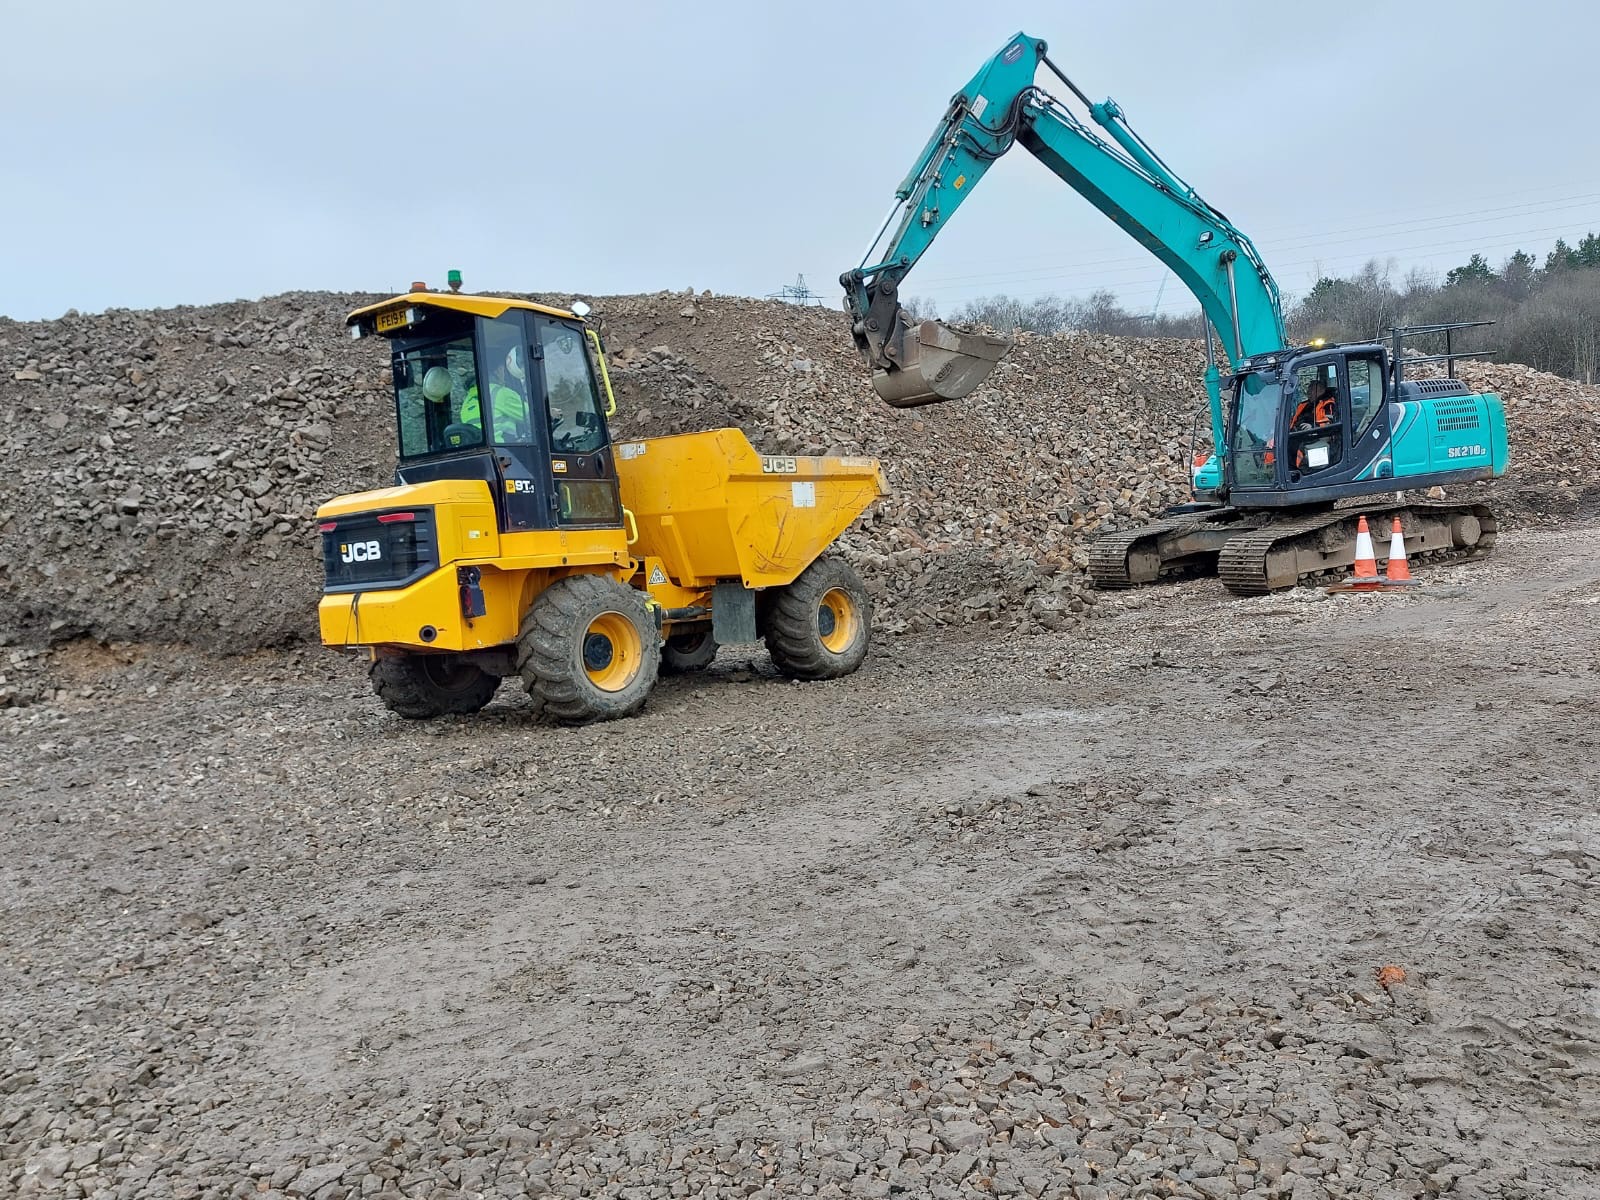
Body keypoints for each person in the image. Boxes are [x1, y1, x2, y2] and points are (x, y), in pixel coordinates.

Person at [461, 347, 532, 442]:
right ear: (499, 370)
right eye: (503, 370)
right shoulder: (502, 393)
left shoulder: (468, 399)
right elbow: (531, 416)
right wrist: (550, 414)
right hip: (504, 448)